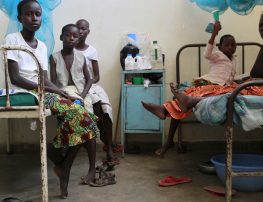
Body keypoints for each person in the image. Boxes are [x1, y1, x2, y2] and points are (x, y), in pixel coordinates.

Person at [4, 0, 99, 198]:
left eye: (38, 14)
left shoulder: (43, 46)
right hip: (27, 92)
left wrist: (60, 91)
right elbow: (15, 78)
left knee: (83, 117)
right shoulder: (12, 39)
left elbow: (46, 78)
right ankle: (58, 158)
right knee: (81, 117)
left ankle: (61, 163)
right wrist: (52, 90)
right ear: (20, 17)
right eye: (29, 14)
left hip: (44, 90)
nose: (34, 18)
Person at [143, 21, 237, 156]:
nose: (230, 47)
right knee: (181, 98)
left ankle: (164, 113)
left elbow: (231, 75)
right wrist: (214, 34)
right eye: (226, 45)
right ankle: (172, 113)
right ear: (220, 48)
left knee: (181, 102)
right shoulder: (218, 56)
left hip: (221, 87)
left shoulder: (234, 59)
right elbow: (207, 54)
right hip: (210, 83)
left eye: (233, 45)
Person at [49, 23, 97, 185]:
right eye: (68, 35)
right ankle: (63, 159)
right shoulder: (54, 57)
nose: (71, 38)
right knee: (78, 121)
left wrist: (83, 95)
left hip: (81, 92)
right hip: (64, 93)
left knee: (88, 121)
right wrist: (62, 94)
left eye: (75, 36)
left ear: (79, 39)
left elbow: (89, 78)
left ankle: (91, 169)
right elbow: (53, 82)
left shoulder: (82, 57)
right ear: (61, 37)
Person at [75, 19, 120, 168]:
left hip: (91, 84)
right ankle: (88, 141)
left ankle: (109, 149)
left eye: (84, 29)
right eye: (78, 28)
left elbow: (96, 76)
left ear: (88, 31)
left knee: (105, 108)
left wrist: (88, 83)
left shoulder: (91, 51)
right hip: (75, 86)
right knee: (94, 107)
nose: (81, 31)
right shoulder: (70, 49)